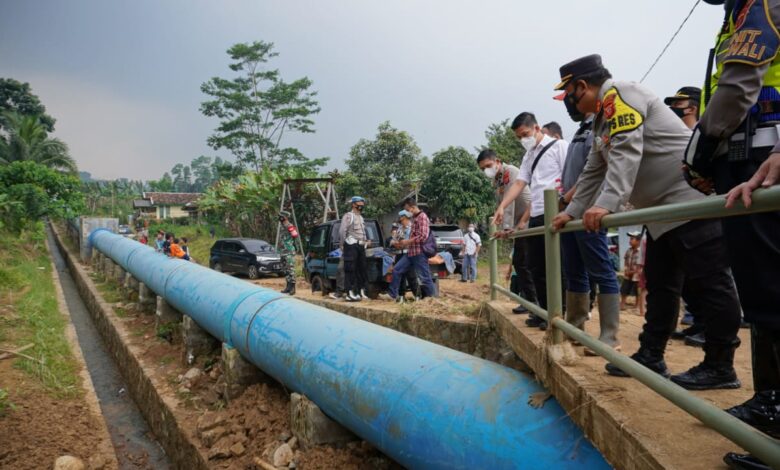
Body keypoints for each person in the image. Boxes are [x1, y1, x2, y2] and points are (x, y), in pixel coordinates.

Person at [550, 54, 743, 391]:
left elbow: (627, 151)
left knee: (711, 283)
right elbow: (594, 171)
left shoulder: (620, 94)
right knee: (662, 285)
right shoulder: (599, 121)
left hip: (688, 203)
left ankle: (720, 365)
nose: (568, 102)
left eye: (569, 94)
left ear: (582, 86)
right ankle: (651, 354)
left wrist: (605, 205)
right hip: (660, 214)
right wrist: (572, 210)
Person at [683, 1, 780, 466]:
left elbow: (738, 83)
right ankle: (772, 405)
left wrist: (702, 142)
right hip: (755, 158)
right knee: (763, 292)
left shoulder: (759, 4)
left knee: (770, 288)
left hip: (761, 157)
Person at [554, 77, 621, 355]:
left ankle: (609, 336)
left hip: (589, 211)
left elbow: (595, 172)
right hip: (571, 215)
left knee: (600, 270)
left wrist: (567, 199)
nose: (570, 103)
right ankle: (575, 327)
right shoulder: (583, 129)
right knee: (574, 272)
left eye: (571, 96)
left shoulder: (604, 123)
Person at [493, 112, 569, 330]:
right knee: (536, 266)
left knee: (556, 266)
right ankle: (543, 311)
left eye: (525, 134)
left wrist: (567, 205)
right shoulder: (528, 157)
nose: (522, 140)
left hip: (556, 211)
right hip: (536, 215)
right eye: (519, 137)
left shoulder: (559, 146)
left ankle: (558, 314)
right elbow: (519, 184)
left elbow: (571, 176)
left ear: (536, 128)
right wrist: (502, 206)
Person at [666, 86, 708, 346]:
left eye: (678, 104)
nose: (673, 108)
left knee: (706, 274)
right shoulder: (678, 135)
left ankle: (709, 328)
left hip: (701, 209)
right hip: (679, 209)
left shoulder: (702, 134)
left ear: (692, 107)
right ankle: (699, 322)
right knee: (687, 278)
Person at [477, 149, 537, 314]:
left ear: (497, 161)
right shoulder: (496, 181)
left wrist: (506, 229)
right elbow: (501, 205)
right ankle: (530, 301)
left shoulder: (510, 172)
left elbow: (508, 204)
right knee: (522, 262)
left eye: (488, 166)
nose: (486, 171)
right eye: (483, 169)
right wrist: (502, 226)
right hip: (518, 226)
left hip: (528, 222)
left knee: (524, 262)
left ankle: (533, 302)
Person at [380, 198, 436, 302]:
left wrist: (407, 242)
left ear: (412, 207)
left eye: (407, 209)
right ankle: (392, 295)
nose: (407, 212)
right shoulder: (415, 218)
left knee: (425, 277)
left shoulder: (422, 217)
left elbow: (423, 236)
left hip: (419, 253)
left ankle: (433, 299)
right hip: (411, 253)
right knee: (397, 270)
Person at [340, 196, 369, 302]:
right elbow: (342, 230)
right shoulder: (349, 216)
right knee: (350, 269)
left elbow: (363, 232)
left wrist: (366, 241)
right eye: (359, 203)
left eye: (362, 203)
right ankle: (349, 293)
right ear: (353, 204)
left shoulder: (361, 217)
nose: (361, 205)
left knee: (361, 269)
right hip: (351, 244)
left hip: (361, 246)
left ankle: (359, 292)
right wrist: (342, 244)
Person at [395, 210, 420, 299]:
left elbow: (414, 241)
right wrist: (396, 243)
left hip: (408, 254)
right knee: (400, 276)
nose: (400, 219)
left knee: (411, 275)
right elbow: (396, 240)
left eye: (401, 217)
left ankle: (417, 296)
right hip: (399, 253)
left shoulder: (412, 228)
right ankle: (401, 296)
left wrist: (404, 243)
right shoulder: (399, 228)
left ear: (405, 217)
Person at [278, 211, 299, 295]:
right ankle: (288, 287)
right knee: (285, 270)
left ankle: (293, 288)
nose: (279, 218)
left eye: (280, 216)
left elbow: (295, 236)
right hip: (283, 251)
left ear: (284, 217)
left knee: (290, 269)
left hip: (289, 251)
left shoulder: (289, 226)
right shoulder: (282, 227)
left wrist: (295, 248)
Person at [620, 232, 642, 310]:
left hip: (637, 275)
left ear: (638, 241)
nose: (630, 241)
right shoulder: (628, 251)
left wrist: (633, 272)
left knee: (637, 290)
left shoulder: (641, 252)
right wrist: (626, 270)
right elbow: (626, 260)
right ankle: (622, 304)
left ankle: (637, 306)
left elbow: (641, 264)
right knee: (624, 288)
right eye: (630, 239)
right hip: (628, 273)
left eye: (632, 239)